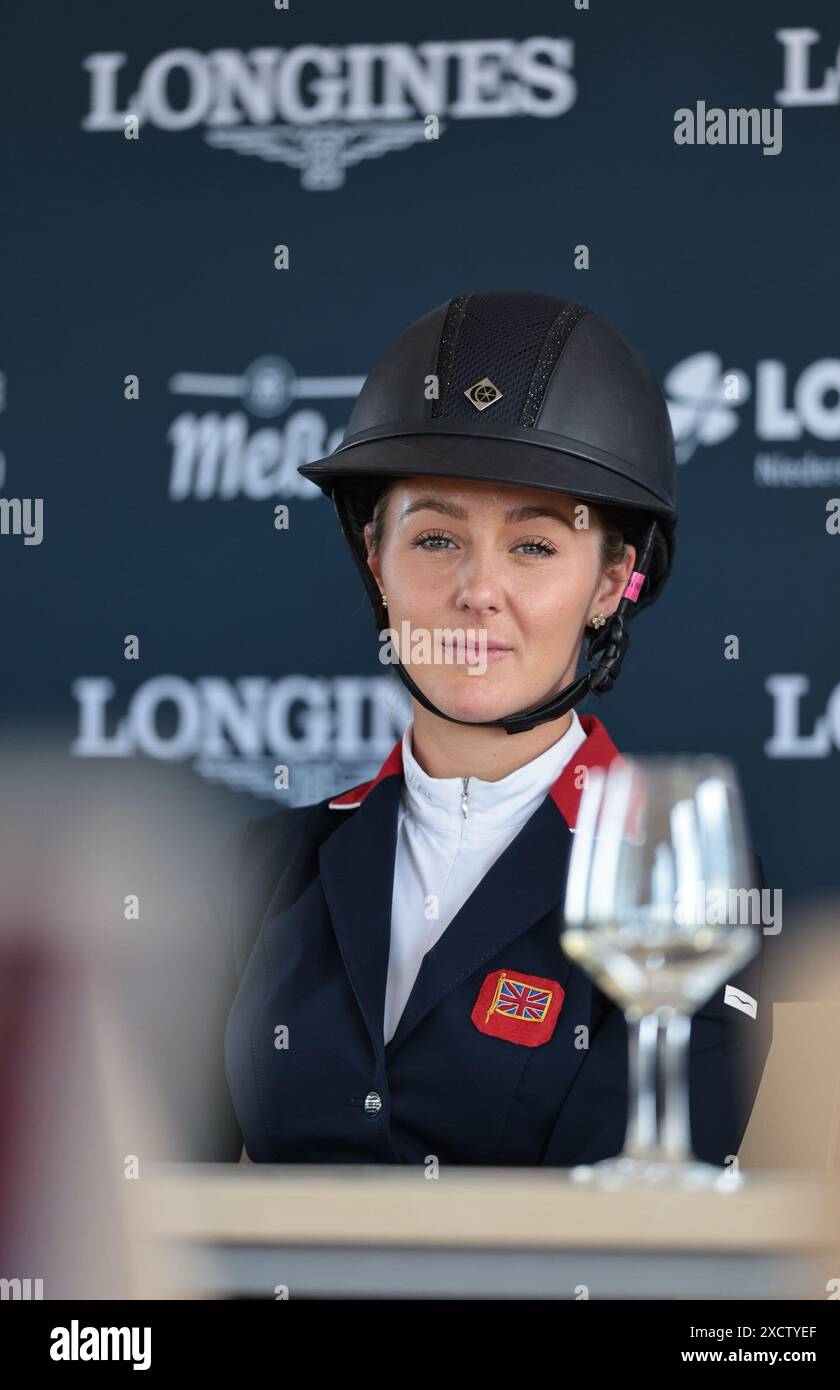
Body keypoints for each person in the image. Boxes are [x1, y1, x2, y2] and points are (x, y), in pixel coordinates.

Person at [196, 290, 772, 1166]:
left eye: (534, 546)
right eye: (435, 539)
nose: (478, 590)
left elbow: (642, 1233)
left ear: (613, 582)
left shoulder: (673, 884)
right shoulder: (265, 870)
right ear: (374, 562)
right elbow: (141, 1207)